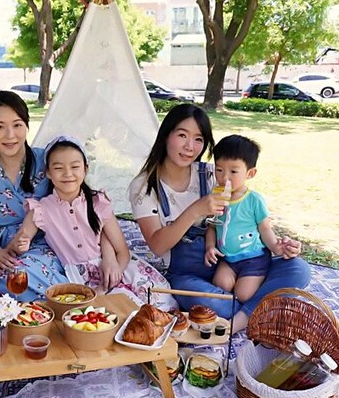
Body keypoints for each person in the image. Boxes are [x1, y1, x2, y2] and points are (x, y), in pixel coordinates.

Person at [128, 103, 310, 331]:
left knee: (298, 269)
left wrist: (279, 244)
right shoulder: (144, 186)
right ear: (166, 135)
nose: (189, 147)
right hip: (187, 274)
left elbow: (246, 211)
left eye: (198, 139)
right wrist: (196, 210)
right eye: (182, 135)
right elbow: (157, 245)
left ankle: (244, 314)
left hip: (233, 262)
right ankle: (259, 308)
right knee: (209, 304)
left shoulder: (214, 173)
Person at [13, 136, 176, 308]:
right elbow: (20, 242)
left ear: (85, 169)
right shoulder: (41, 209)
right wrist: (21, 245)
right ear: (48, 172)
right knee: (118, 311)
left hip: (119, 268)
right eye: (58, 168)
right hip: (83, 280)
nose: (68, 174)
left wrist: (115, 269)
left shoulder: (98, 202)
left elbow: (123, 251)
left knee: (160, 302)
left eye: (75, 167)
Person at [0, 91, 68, 301]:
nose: (10, 135)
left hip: (44, 244)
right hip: (2, 251)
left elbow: (77, 198)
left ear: (26, 125)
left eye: (17, 125)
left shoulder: (47, 160)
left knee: (23, 275)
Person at [205, 135, 289, 303]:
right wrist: (210, 247)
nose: (224, 177)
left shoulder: (253, 200)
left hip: (254, 259)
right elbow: (212, 227)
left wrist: (275, 247)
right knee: (220, 285)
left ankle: (260, 283)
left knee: (243, 295)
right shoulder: (215, 196)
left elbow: (265, 228)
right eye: (219, 170)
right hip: (228, 259)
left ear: (250, 173)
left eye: (233, 171)